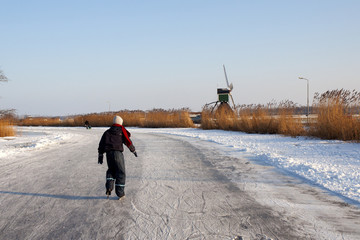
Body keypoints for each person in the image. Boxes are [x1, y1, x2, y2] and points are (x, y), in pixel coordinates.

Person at [98, 116, 137, 199]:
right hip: (118, 154)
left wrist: (100, 155)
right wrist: (133, 150)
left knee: (111, 170)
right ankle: (120, 193)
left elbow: (101, 144)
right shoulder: (121, 131)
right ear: (120, 123)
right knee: (121, 172)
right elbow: (128, 141)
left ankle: (109, 187)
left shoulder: (107, 132)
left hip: (109, 154)